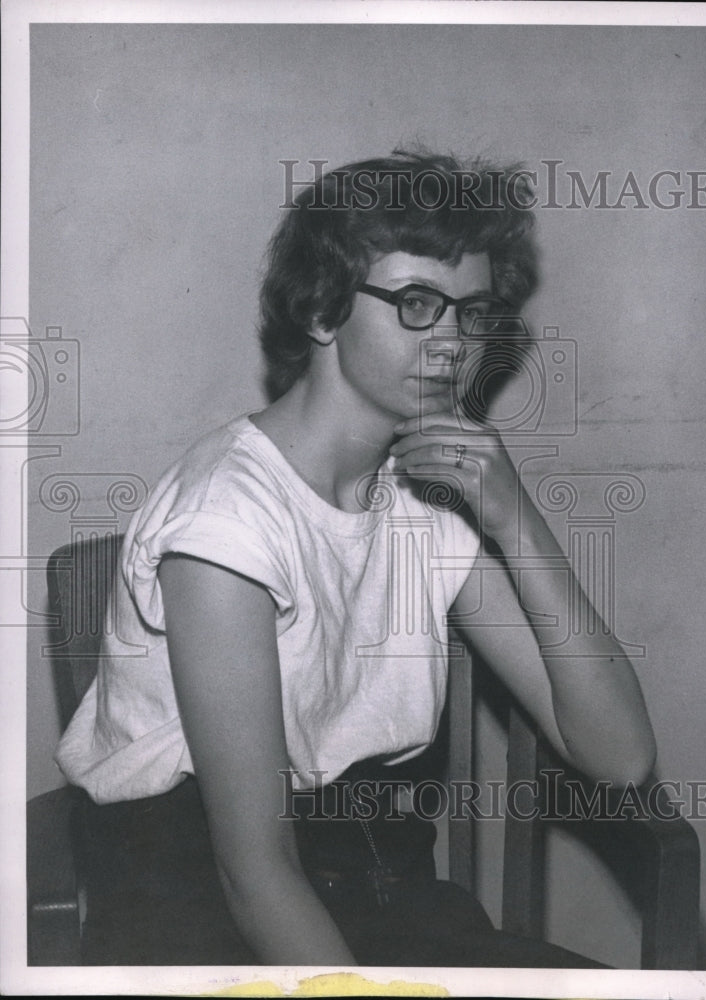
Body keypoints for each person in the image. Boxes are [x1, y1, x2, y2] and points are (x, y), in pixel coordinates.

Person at [55, 150, 657, 967]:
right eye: (417, 303)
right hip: (204, 912)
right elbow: (254, 873)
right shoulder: (226, 520)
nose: (453, 341)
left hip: (385, 889)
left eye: (471, 311)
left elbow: (618, 758)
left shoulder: (428, 495)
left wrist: (519, 522)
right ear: (322, 310)